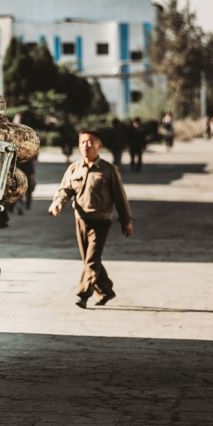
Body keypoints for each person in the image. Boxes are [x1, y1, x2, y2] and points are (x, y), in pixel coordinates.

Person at [49, 130, 133, 309]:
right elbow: (66, 190)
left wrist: (126, 220)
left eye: (90, 142)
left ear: (99, 146)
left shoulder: (109, 170)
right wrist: (58, 203)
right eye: (82, 142)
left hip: (101, 221)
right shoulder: (74, 168)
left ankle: (83, 294)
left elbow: (120, 197)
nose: (86, 146)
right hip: (81, 219)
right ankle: (106, 290)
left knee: (92, 260)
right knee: (89, 260)